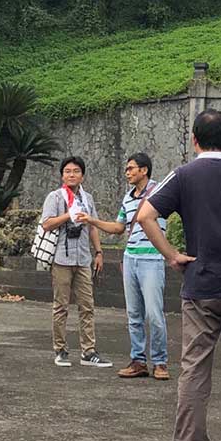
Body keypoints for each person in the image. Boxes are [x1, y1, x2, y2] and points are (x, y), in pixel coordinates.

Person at [138, 109, 221, 441]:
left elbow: (145, 215)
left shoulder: (184, 175)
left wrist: (172, 255)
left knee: (194, 372)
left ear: (194, 139)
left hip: (200, 287)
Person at [73, 151, 167, 377]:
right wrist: (92, 220)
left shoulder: (159, 192)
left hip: (152, 258)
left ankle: (160, 362)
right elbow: (118, 227)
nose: (127, 173)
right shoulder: (127, 197)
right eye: (127, 169)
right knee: (134, 314)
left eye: (131, 168)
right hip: (131, 257)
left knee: (154, 314)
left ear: (144, 170)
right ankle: (138, 360)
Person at [40, 156, 115, 368]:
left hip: (83, 258)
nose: (71, 175)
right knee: (61, 306)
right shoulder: (55, 197)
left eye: (75, 171)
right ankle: (60, 349)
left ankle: (88, 351)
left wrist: (99, 252)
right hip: (61, 259)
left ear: (82, 175)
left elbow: (92, 227)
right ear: (62, 175)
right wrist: (68, 215)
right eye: (67, 171)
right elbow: (46, 224)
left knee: (87, 305)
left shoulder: (87, 198)